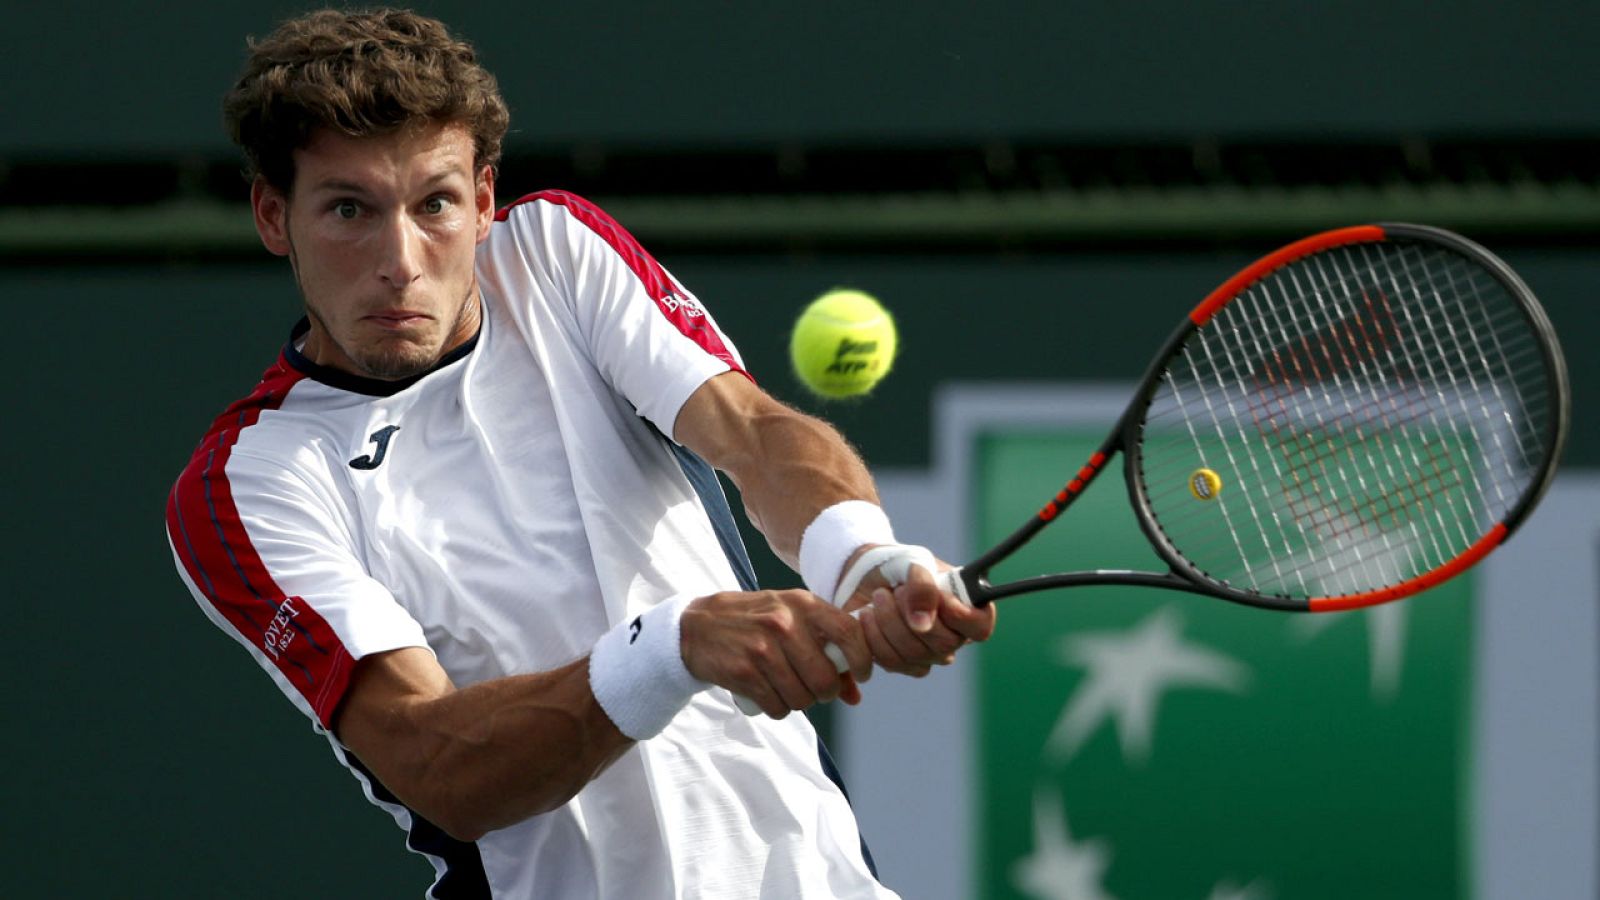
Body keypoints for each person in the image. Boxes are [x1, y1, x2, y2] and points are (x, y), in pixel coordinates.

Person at [165, 8, 994, 899]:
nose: (400, 261)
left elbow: (752, 435)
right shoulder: (247, 483)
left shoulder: (555, 253)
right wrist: (672, 648)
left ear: (484, 202)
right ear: (271, 214)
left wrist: (861, 556)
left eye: (435, 204)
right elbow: (439, 764)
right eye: (348, 210)